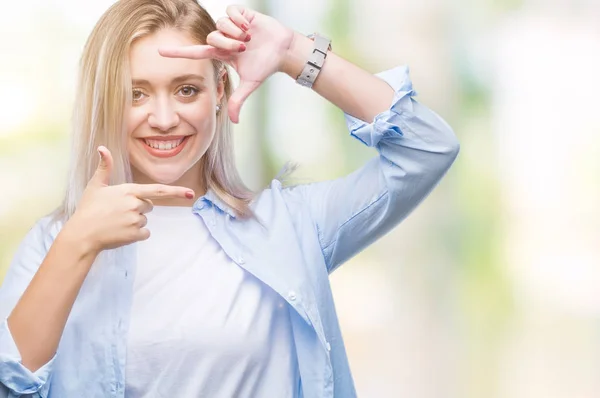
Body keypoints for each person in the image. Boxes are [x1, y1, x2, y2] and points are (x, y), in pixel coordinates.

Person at [0, 0, 459, 397]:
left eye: (186, 89)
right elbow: (10, 384)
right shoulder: (55, 243)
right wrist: (77, 242)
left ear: (219, 92)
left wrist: (293, 53)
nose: (164, 117)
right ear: (105, 100)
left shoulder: (292, 227)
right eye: (134, 93)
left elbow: (426, 148)